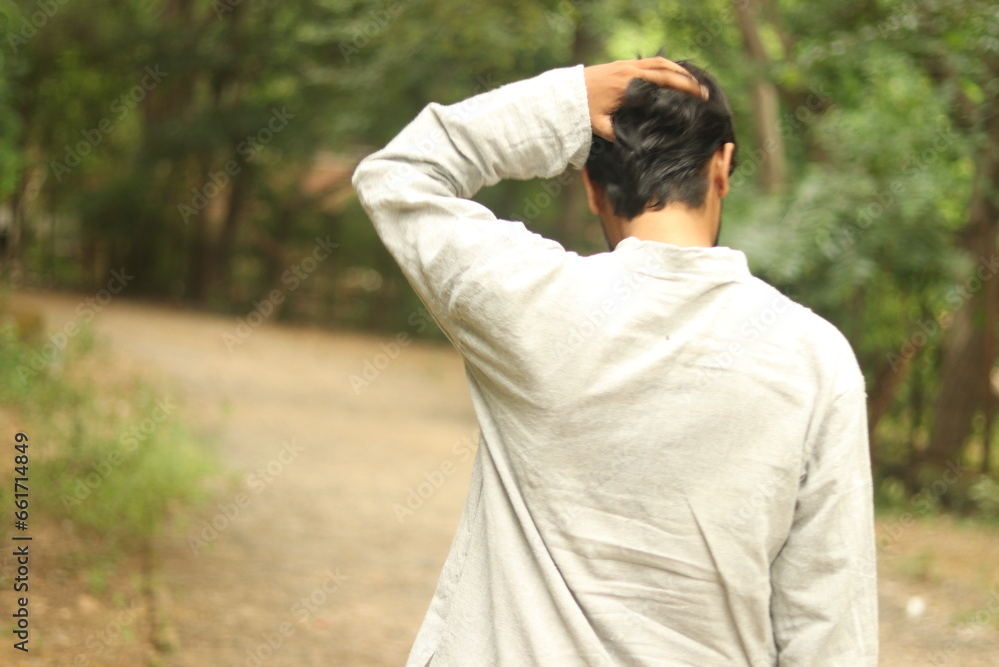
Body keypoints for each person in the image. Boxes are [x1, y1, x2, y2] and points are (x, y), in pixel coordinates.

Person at [352, 56, 878, 666]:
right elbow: (829, 626)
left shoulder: (532, 301)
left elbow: (399, 174)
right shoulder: (815, 359)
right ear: (722, 166)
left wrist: (568, 102)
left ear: (592, 186)